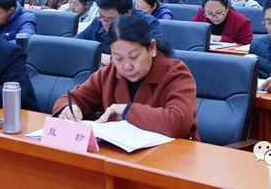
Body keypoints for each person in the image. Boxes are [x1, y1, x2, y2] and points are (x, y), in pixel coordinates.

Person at [54, 14, 198, 140]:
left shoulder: (175, 74)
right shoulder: (110, 71)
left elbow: (178, 123)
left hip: (169, 156)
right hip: (120, 153)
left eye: (134, 57)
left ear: (152, 48)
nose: (127, 66)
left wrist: (127, 110)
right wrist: (68, 109)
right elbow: (70, 98)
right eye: (118, 58)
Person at [77, 0, 164, 63]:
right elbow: (75, 45)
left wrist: (109, 59)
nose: (104, 23)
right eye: (102, 17)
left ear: (128, 13)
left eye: (110, 19)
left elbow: (156, 55)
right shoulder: (98, 22)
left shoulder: (149, 23)